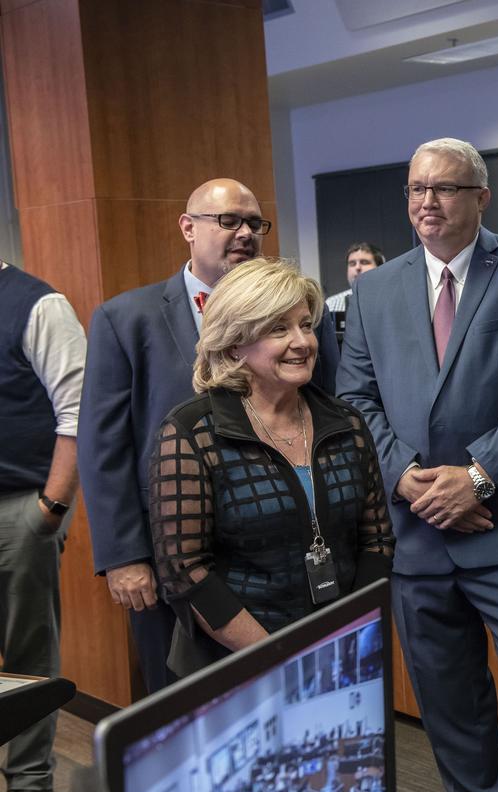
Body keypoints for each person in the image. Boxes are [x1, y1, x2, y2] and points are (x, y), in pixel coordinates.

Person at [337, 137, 498, 792]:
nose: (427, 202)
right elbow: (355, 399)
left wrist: (476, 476)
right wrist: (405, 478)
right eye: (416, 188)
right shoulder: (375, 290)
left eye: (444, 188)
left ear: (482, 197)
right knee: (448, 699)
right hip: (419, 532)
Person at [79, 179, 340, 693]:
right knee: (184, 707)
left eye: (254, 223)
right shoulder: (125, 319)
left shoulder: (304, 319)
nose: (245, 233)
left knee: (290, 695)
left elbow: (322, 415)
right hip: (170, 555)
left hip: (280, 550)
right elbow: (103, 446)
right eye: (228, 221)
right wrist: (124, 556)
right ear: (187, 228)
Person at [148, 258, 393, 677]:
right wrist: (282, 660)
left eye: (305, 325)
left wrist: (348, 640)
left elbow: (377, 541)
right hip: (236, 664)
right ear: (233, 344)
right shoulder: (193, 432)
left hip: (343, 654)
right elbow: (185, 570)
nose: (302, 342)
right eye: (279, 329)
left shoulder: (346, 423)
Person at [0, 261, 84, 792]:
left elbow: (77, 413)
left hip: (18, 510)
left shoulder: (38, 305)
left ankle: (28, 789)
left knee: (28, 659)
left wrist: (50, 508)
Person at [326, 242, 386, 314]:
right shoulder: (331, 304)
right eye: (352, 263)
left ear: (380, 268)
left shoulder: (392, 300)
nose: (357, 267)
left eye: (364, 262)